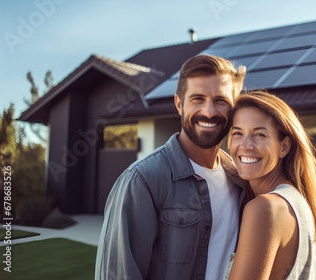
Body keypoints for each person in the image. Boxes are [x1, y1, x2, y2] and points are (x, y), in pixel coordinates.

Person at [95, 54, 253, 280]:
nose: (208, 112)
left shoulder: (239, 179)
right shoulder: (142, 180)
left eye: (220, 100)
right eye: (197, 99)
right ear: (179, 104)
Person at [224, 90, 316, 279]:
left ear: (284, 147)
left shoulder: (265, 208)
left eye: (259, 135)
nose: (245, 145)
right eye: (237, 133)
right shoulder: (296, 201)